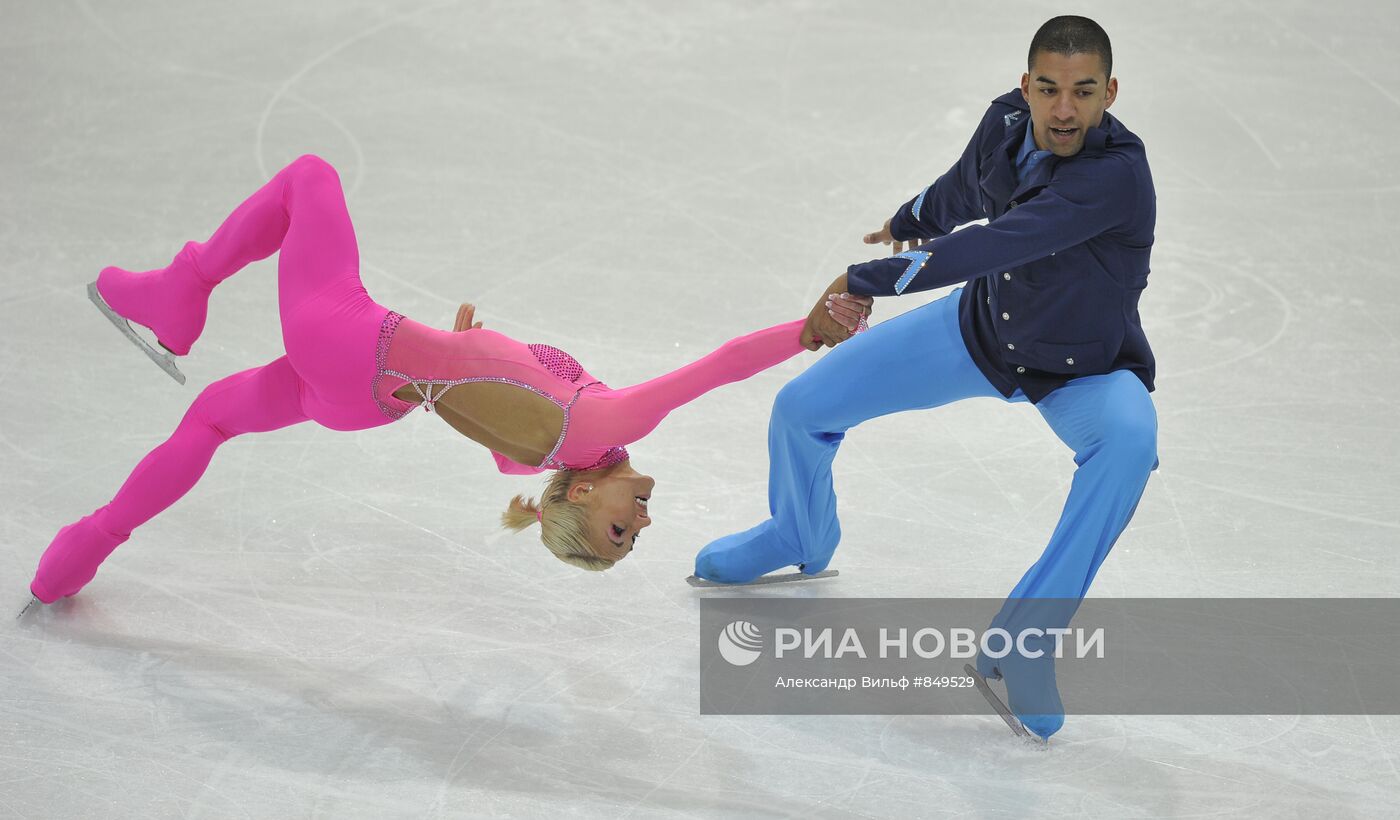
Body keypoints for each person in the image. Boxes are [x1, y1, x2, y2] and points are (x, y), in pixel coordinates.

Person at [28, 153, 868, 604]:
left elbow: (716, 369)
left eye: (621, 531)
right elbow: (491, 406)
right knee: (210, 417)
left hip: (353, 345)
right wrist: (465, 354)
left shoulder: (606, 430)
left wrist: (805, 332)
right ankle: (80, 551)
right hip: (362, 402)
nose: (644, 522)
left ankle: (182, 292)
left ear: (580, 501)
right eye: (638, 534)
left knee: (309, 177)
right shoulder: (540, 465)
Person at [693, 15, 1159, 740]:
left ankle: (1026, 640)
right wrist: (910, 216)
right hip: (977, 332)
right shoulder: (1007, 124)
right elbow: (969, 189)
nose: (1063, 108)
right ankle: (799, 534)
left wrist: (862, 278)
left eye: (1083, 91)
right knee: (800, 407)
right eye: (1048, 89)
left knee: (1129, 445)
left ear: (1110, 94)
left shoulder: (1115, 178)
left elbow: (995, 241)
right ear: (1025, 86)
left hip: (1080, 370)